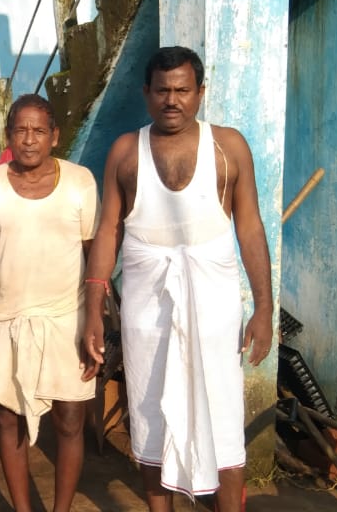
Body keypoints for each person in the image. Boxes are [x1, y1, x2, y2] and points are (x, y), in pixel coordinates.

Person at [81, 46, 273, 512]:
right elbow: (108, 230)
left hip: (215, 309)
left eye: (183, 90)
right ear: (146, 93)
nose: (173, 100)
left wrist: (264, 307)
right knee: (150, 416)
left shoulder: (228, 147)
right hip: (146, 312)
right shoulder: (126, 151)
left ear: (200, 92)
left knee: (222, 418)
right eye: (163, 90)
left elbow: (249, 227)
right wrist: (93, 309)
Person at [0, 94, 99, 512]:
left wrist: (96, 320)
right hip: (6, 318)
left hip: (68, 317)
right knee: (8, 418)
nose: (29, 140)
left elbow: (95, 254)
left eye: (39, 131)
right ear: (9, 136)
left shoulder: (80, 182)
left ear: (54, 136)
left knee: (70, 418)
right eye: (21, 131)